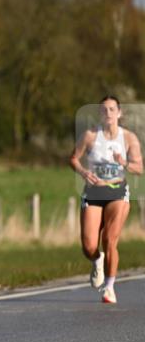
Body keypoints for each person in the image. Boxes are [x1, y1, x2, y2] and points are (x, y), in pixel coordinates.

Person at [70, 95, 142, 304]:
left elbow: (139, 168)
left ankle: (109, 287)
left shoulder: (128, 138)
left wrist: (124, 163)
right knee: (88, 246)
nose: (108, 113)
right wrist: (84, 172)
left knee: (110, 240)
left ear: (119, 113)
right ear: (99, 114)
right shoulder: (90, 136)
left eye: (112, 109)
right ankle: (97, 259)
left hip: (117, 192)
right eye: (104, 110)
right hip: (93, 192)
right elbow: (73, 158)